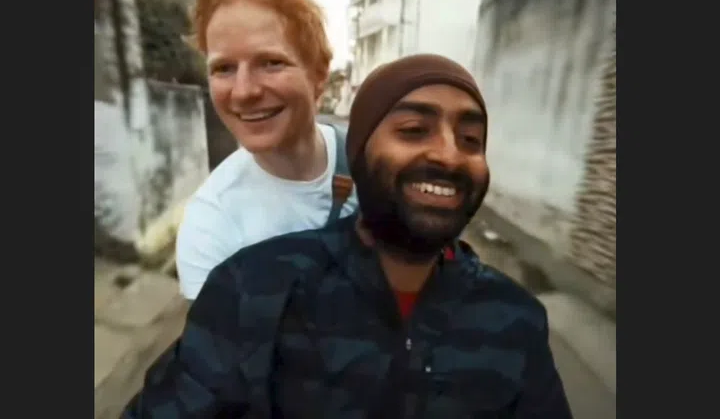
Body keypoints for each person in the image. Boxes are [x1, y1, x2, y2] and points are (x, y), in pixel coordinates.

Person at [123, 54, 573, 418]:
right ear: (358, 154)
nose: (449, 155)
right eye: (413, 131)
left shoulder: (515, 322)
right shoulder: (255, 289)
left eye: (471, 139)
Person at [175, 0, 357, 300]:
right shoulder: (211, 227)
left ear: (319, 74)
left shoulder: (375, 166)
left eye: (271, 63)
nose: (243, 92)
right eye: (224, 68)